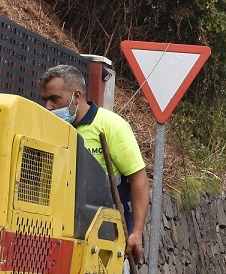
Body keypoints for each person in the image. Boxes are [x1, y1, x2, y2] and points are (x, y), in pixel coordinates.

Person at [39, 65, 150, 262]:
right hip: (59, 231)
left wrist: (137, 233)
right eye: (45, 100)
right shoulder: (49, 128)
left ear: (76, 96)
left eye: (54, 99)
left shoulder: (111, 127)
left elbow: (139, 180)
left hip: (106, 232)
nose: (48, 107)